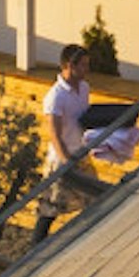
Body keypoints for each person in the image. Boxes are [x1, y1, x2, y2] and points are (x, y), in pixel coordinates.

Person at [38, 44, 114, 224]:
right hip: (62, 159)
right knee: (49, 210)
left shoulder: (84, 88)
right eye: (83, 65)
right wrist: (66, 161)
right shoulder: (56, 97)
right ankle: (36, 248)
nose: (86, 70)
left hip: (81, 154)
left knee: (94, 199)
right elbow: (54, 134)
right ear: (70, 66)